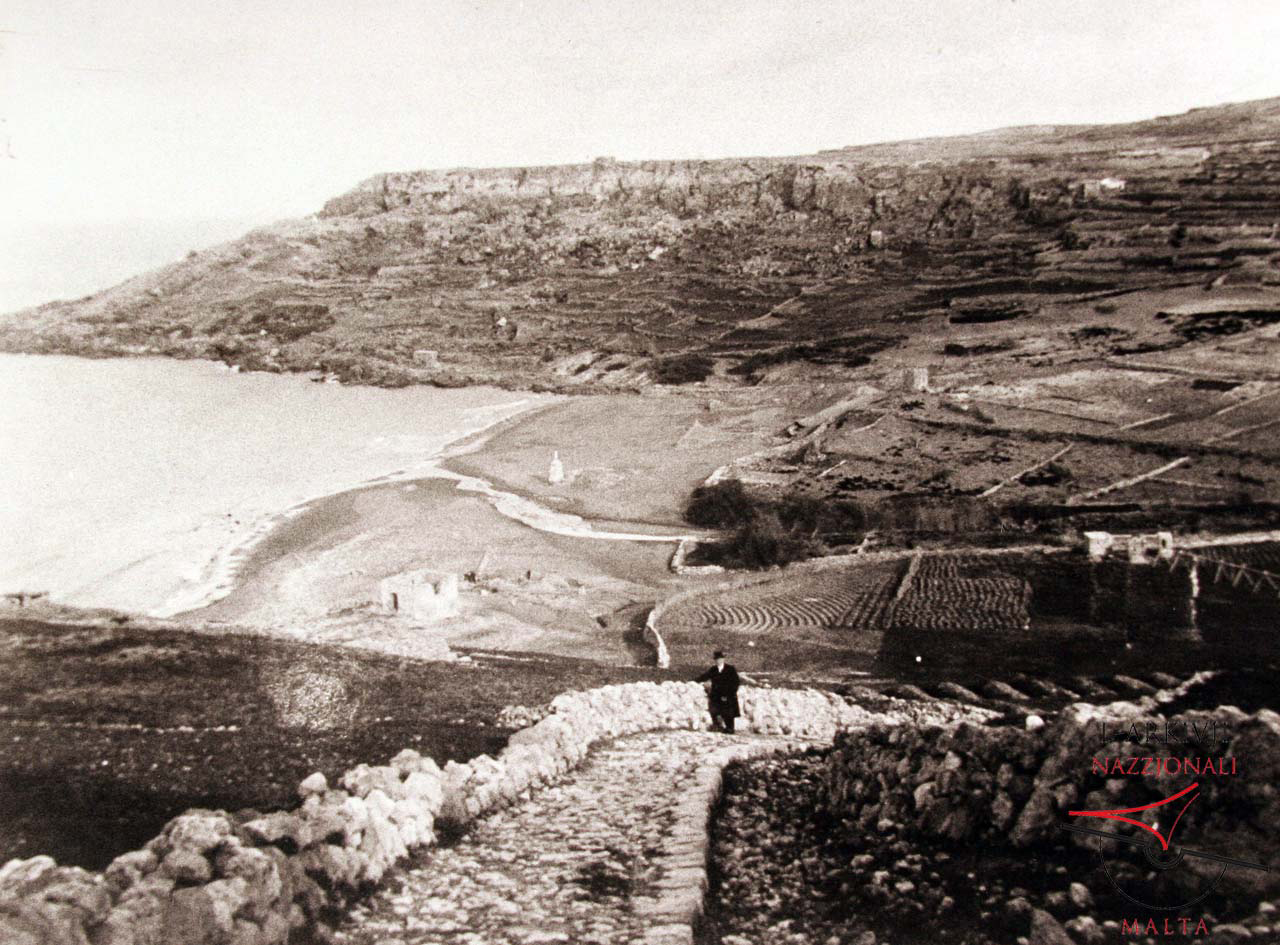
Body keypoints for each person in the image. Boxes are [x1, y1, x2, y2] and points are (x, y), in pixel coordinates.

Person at [694, 649, 761, 733]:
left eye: (720, 659)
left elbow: (735, 682)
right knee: (715, 711)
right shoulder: (713, 669)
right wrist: (693, 681)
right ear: (715, 660)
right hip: (716, 695)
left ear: (723, 659)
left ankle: (730, 728)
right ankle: (718, 726)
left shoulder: (730, 669)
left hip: (728, 696)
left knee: (728, 713)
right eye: (717, 659)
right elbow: (704, 677)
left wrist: (728, 694)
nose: (718, 661)